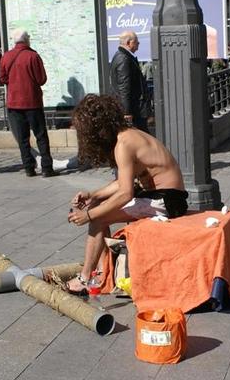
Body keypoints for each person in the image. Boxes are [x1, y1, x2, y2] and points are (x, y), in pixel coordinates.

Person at [66, 94, 188, 293]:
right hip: (166, 197)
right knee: (98, 208)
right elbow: (123, 183)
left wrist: (88, 215)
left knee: (98, 218)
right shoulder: (127, 134)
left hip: (167, 201)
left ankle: (85, 278)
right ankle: (103, 271)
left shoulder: (124, 144)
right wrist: (93, 195)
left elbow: (125, 193)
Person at [0, 28, 57, 178]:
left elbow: (3, 78)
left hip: (14, 104)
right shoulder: (33, 56)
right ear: (26, 40)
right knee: (41, 136)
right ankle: (46, 168)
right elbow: (41, 79)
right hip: (33, 102)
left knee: (22, 138)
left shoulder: (6, 56)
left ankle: (29, 168)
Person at [109, 30, 152, 133]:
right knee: (141, 138)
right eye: (136, 41)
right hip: (134, 110)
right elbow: (124, 87)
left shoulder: (122, 56)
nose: (138, 44)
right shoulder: (123, 59)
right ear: (128, 43)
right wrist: (127, 112)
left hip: (134, 109)